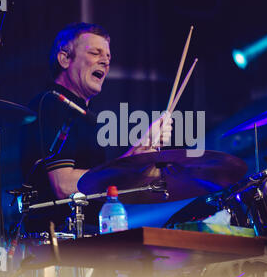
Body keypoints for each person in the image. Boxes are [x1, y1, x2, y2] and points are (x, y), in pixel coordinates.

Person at [20, 22, 173, 234]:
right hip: (56, 245)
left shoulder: (84, 115)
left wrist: (141, 153)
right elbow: (63, 185)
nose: (105, 61)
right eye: (95, 53)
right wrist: (128, 161)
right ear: (64, 59)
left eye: (108, 57)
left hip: (87, 237)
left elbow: (106, 182)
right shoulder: (52, 104)